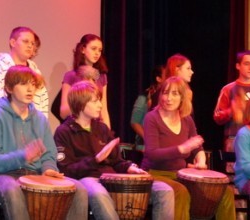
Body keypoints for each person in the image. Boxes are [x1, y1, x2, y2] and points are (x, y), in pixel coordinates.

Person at [0, 65, 87, 220]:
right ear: (9, 88)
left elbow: (49, 154)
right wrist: (23, 156)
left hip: (34, 174)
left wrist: (48, 168)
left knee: (79, 189)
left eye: (33, 84)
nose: (30, 89)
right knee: (12, 189)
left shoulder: (40, 119)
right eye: (24, 84)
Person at [54, 81, 173, 219]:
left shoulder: (102, 128)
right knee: (99, 193)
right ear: (80, 104)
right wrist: (95, 160)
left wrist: (129, 168)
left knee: (164, 190)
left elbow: (117, 161)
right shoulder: (64, 132)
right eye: (95, 101)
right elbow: (65, 170)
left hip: (111, 178)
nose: (100, 105)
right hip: (87, 179)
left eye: (99, 100)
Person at [142, 76, 235, 220]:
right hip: (155, 174)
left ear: (182, 98)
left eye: (175, 94)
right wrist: (181, 149)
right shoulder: (151, 118)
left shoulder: (186, 119)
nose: (168, 98)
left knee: (226, 192)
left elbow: (197, 145)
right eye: (165, 93)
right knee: (181, 192)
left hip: (180, 175)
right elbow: (151, 153)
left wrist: (201, 160)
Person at [0, 26, 49, 117]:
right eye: (25, 41)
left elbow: (43, 102)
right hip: (3, 124)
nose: (30, 46)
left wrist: (41, 125)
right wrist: (14, 96)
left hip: (30, 126)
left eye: (32, 43)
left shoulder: (36, 72)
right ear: (13, 42)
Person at [213, 50, 250, 154]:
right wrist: (232, 111)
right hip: (235, 140)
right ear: (238, 66)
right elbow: (217, 117)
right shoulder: (228, 89)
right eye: (247, 64)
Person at [59, 34, 110, 128]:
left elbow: (104, 110)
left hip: (96, 127)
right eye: (93, 48)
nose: (97, 53)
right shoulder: (71, 76)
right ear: (82, 49)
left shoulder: (102, 77)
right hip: (76, 127)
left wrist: (108, 132)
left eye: (99, 50)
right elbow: (63, 112)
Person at [130, 65, 165, 151]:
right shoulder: (144, 97)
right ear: (158, 79)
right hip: (145, 146)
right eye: (167, 75)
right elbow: (134, 122)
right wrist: (148, 139)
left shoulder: (168, 99)